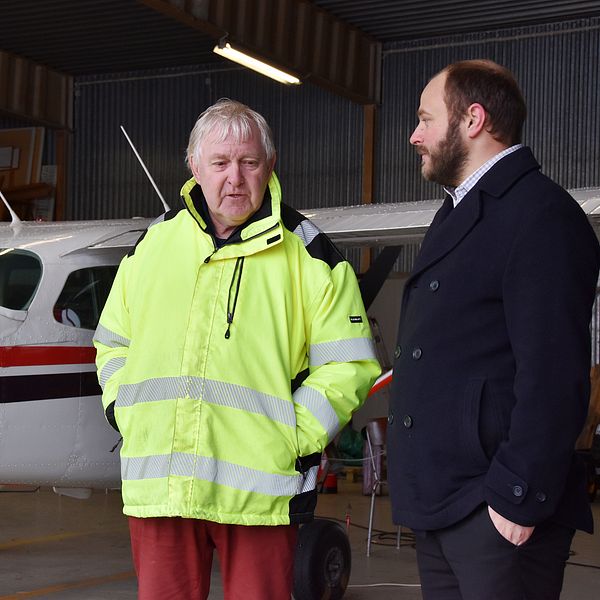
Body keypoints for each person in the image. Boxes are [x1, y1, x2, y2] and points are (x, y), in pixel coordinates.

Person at [93, 99, 380, 600]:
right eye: (220, 163)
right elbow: (113, 341)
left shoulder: (309, 254)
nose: (234, 178)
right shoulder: (151, 247)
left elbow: (349, 363)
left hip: (260, 496)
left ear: (269, 166)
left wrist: (291, 435)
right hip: (161, 490)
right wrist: (126, 411)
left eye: (248, 162)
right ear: (194, 167)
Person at [388, 59, 600, 600]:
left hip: (497, 508)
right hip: (446, 502)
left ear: (473, 119)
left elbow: (555, 376)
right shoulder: (461, 211)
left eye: (424, 119)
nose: (414, 136)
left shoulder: (539, 216)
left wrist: (515, 493)